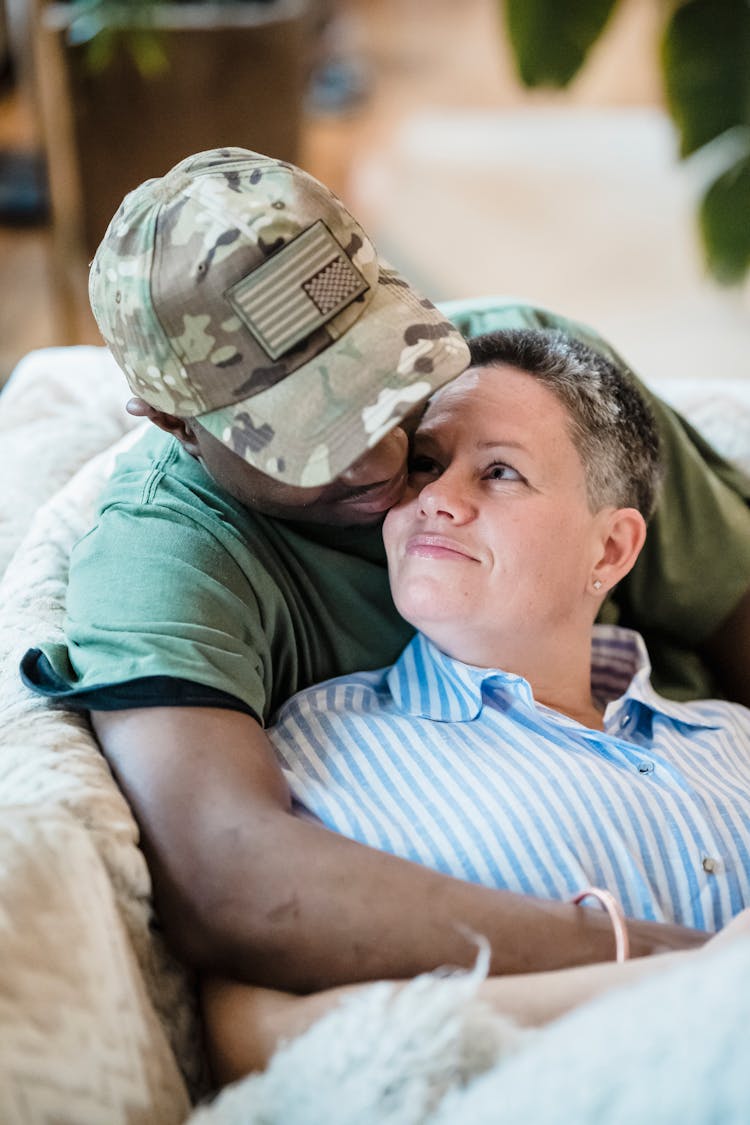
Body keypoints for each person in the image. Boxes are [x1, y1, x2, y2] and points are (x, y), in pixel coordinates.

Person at [19, 147, 750, 991]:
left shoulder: (525, 378)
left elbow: (733, 595)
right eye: (304, 428)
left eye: (381, 374)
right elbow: (230, 877)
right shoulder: (169, 561)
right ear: (174, 423)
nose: (379, 450)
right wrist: (671, 968)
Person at [268, 328, 750, 936]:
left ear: (608, 550)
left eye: (500, 471)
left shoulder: (735, 739)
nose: (436, 497)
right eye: (425, 464)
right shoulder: (319, 751)